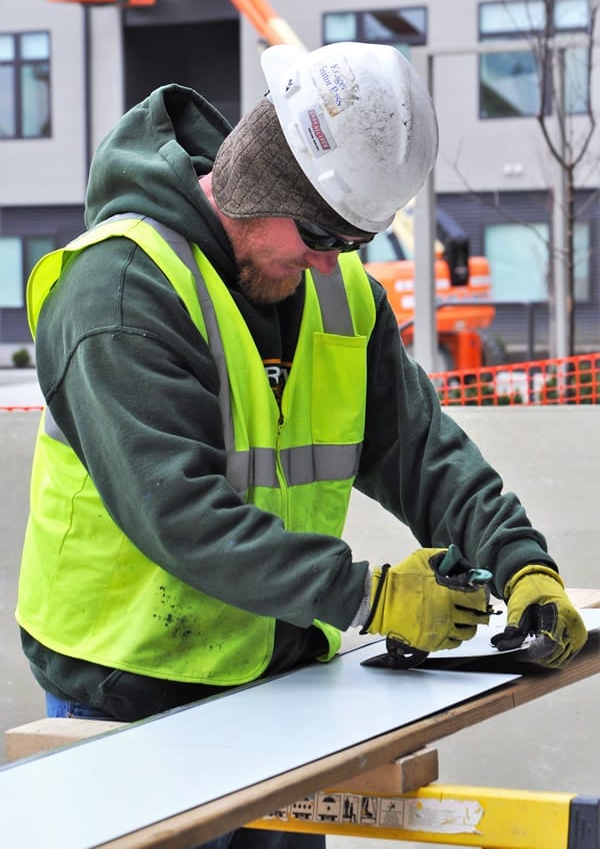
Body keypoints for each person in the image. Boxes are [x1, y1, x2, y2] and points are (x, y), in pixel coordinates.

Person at [17, 42, 587, 849]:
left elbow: (421, 452)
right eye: (319, 231)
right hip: (125, 695)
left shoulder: (334, 289)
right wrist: (371, 597)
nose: (327, 262)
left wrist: (521, 563)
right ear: (258, 178)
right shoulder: (118, 292)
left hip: (279, 689)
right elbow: (180, 513)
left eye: (350, 241)